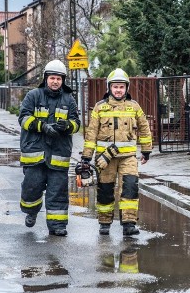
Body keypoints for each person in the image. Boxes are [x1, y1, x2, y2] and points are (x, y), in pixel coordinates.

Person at [80, 68, 153, 236]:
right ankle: (104, 223)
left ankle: (128, 224)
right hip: (105, 159)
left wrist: (146, 150)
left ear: (127, 88)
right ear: (109, 88)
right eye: (115, 87)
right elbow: (91, 133)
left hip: (128, 158)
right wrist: (86, 156)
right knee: (105, 190)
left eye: (121, 87)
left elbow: (144, 128)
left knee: (129, 188)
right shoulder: (100, 108)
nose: (118, 90)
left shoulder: (134, 107)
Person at [17, 59, 81, 236]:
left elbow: (77, 123)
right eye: (52, 78)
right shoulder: (33, 96)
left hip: (58, 154)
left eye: (59, 79)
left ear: (63, 81)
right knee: (32, 187)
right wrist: (42, 126)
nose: (55, 81)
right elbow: (23, 118)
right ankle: (31, 211)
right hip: (35, 153)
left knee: (57, 192)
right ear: (45, 78)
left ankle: (57, 225)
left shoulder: (69, 99)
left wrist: (67, 126)